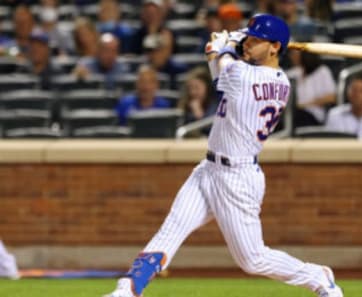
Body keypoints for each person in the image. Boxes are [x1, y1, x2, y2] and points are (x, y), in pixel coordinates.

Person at [103, 14, 343, 297]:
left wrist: (222, 43)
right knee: (171, 229)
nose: (250, 44)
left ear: (275, 47)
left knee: (253, 260)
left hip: (237, 178)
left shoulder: (243, 75)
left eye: (257, 40)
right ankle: (128, 290)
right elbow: (223, 64)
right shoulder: (280, 81)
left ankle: (318, 277)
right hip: (209, 168)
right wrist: (235, 40)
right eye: (250, 38)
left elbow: (219, 60)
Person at [292, 51, 336, 126]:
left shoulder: (322, 71)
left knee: (299, 115)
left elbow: (332, 97)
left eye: (296, 54)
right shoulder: (295, 73)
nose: (292, 57)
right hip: (295, 113)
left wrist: (305, 105)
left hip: (314, 115)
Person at [178, 66, 217, 136]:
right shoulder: (186, 104)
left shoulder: (215, 104)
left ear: (207, 88)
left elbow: (211, 129)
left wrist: (198, 113)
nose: (193, 92)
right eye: (190, 88)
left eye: (197, 87)